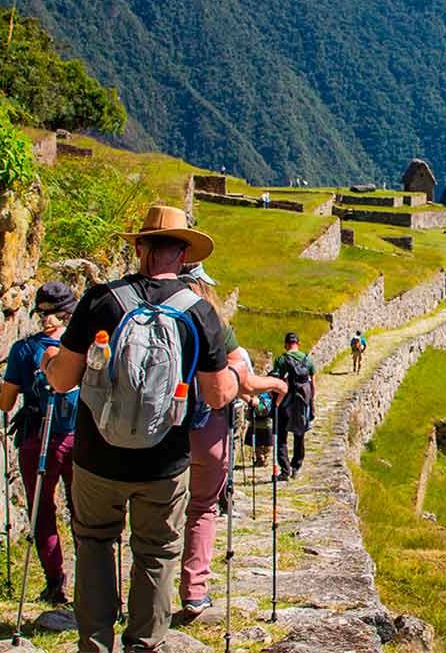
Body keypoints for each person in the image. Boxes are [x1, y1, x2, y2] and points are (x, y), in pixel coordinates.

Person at [44, 205, 280, 653]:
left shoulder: (100, 300)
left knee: (94, 543)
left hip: (97, 456)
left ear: (139, 247)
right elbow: (215, 395)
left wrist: (51, 359)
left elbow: (61, 381)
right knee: (155, 553)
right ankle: (143, 645)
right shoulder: (199, 314)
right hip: (164, 462)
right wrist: (237, 375)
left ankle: (94, 645)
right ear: (184, 254)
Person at [172, 260, 285, 616]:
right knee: (203, 506)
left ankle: (149, 598)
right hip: (205, 426)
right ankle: (194, 589)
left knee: (155, 507)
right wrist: (274, 384)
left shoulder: (145, 310)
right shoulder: (213, 322)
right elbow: (243, 378)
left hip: (157, 429)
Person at [0, 281, 80, 605]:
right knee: (84, 512)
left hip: (36, 439)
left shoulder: (23, 349)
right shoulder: (84, 348)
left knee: (41, 512)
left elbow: (5, 402)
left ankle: (54, 580)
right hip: (79, 439)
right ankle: (90, 580)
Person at [270, 332, 317, 482]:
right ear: (299, 343)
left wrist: (275, 400)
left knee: (282, 436)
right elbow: (313, 385)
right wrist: (311, 402)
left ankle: (285, 470)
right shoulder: (308, 359)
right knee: (299, 434)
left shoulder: (281, 359)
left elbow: (276, 381)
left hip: (285, 402)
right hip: (302, 402)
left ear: (285, 344)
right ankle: (296, 466)